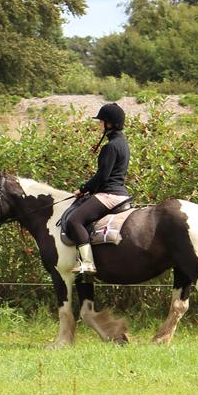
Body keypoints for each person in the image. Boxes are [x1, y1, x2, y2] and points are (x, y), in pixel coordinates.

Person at [66, 102, 130, 276]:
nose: (99, 124)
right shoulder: (123, 144)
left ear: (110, 123)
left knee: (74, 220)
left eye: (101, 121)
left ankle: (87, 263)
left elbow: (102, 177)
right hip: (120, 193)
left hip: (109, 194)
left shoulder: (110, 147)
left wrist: (83, 189)